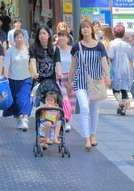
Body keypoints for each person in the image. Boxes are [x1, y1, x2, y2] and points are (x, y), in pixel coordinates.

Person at [67, 20, 110, 151]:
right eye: (83, 28)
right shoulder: (76, 47)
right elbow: (73, 66)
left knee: (94, 111)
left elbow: (104, 61)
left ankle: (93, 134)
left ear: (92, 30)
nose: (85, 30)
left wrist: (107, 76)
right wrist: (69, 81)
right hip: (80, 82)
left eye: (87, 27)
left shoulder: (99, 46)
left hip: (96, 82)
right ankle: (86, 138)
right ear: (80, 31)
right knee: (85, 108)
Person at [2, 29, 32, 131]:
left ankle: (25, 119)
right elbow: (6, 66)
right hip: (12, 79)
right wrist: (6, 79)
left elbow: (32, 63)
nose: (19, 40)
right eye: (17, 38)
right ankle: (18, 120)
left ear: (24, 39)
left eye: (21, 37)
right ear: (14, 39)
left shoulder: (28, 50)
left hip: (26, 78)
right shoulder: (10, 51)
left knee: (23, 98)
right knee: (14, 101)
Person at [108, 24, 133, 116]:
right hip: (127, 69)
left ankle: (120, 102)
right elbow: (131, 59)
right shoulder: (127, 45)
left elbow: (110, 56)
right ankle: (123, 110)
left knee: (115, 89)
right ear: (123, 33)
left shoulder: (112, 43)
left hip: (116, 68)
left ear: (114, 33)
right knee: (124, 89)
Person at [56, 29, 76, 132]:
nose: (62, 38)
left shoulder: (73, 50)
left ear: (68, 38)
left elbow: (76, 65)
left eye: (64, 36)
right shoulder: (55, 49)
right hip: (58, 77)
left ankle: (68, 121)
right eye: (60, 35)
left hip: (71, 77)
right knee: (64, 99)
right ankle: (62, 119)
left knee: (72, 101)